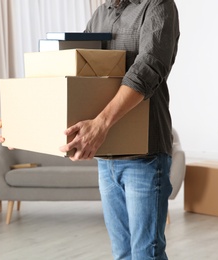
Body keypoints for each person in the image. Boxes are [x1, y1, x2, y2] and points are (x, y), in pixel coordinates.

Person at [59, 0, 180, 259]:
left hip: (144, 156)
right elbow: (77, 72)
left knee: (146, 254)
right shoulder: (101, 14)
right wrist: (27, 125)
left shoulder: (158, 5)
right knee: (122, 253)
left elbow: (148, 68)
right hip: (107, 156)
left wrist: (101, 123)